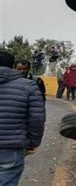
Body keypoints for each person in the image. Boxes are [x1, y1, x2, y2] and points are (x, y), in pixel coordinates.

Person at [0, 50, 46, 186]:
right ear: (13, 66)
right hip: (11, 149)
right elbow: (37, 119)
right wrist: (33, 142)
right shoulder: (28, 86)